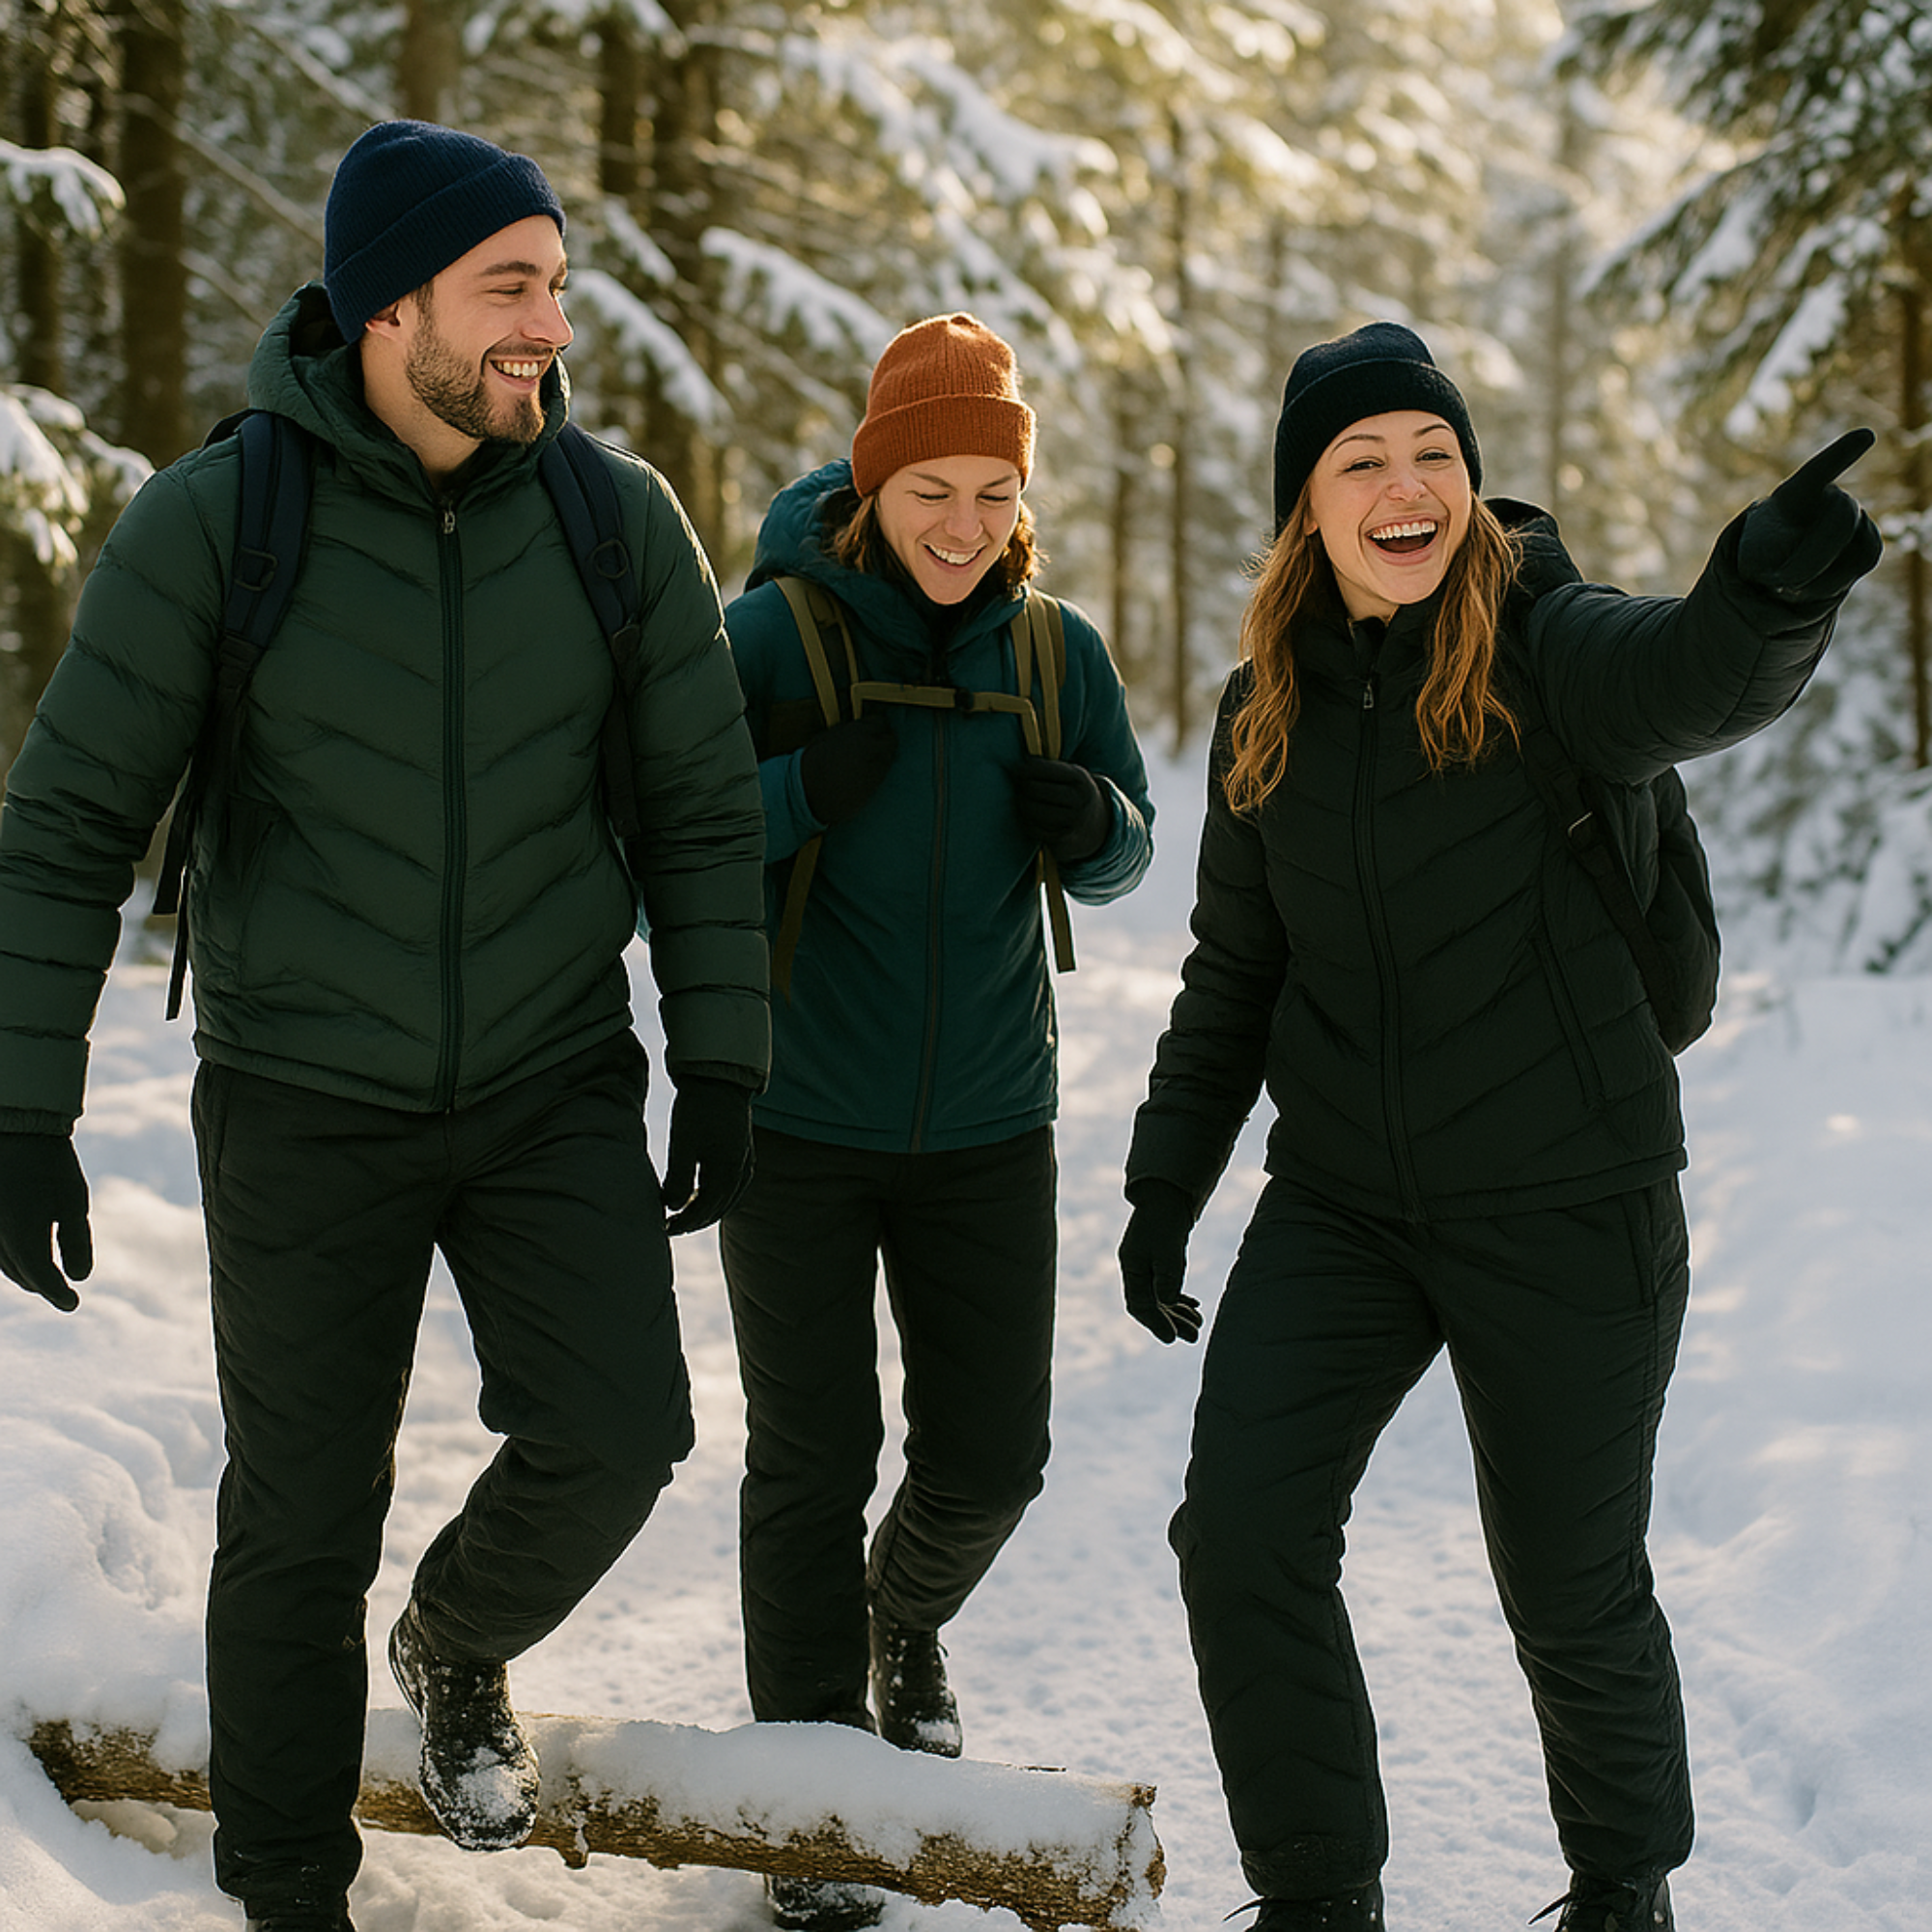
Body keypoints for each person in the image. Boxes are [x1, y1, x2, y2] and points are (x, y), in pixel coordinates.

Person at [0, 121, 769, 1932]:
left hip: (547, 1072)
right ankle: (286, 1893)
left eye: (558, 287)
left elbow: (702, 808)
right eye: (508, 287)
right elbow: (69, 823)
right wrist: (24, 1109)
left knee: (621, 1431)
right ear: (388, 306)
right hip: (299, 1088)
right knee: (298, 1516)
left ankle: (454, 1641)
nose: (548, 326)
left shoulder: (613, 522)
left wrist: (724, 1053)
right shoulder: (220, 520)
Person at [1118, 322, 1882, 1932]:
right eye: (1363, 462)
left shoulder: (1547, 642)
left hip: (1569, 1194)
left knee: (1570, 1587)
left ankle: (1622, 1886)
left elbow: (1687, 672)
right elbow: (1236, 973)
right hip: (1346, 1202)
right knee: (1240, 1535)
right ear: (1306, 507)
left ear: (1470, 480)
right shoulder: (1266, 707)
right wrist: (1164, 1185)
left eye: (1435, 456)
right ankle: (1319, 1896)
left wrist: (1767, 593)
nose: (1407, 488)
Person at [721, 313, 1154, 1931]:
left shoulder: (1056, 655)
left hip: (989, 1122)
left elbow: (1128, 847)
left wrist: (1096, 820)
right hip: (800, 1122)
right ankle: (811, 1808)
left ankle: (900, 1623)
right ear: (872, 487)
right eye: (931, 492)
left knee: (992, 1459)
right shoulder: (768, 639)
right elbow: (656, 839)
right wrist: (792, 796)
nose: (965, 524)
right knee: (810, 1461)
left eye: (994, 492)